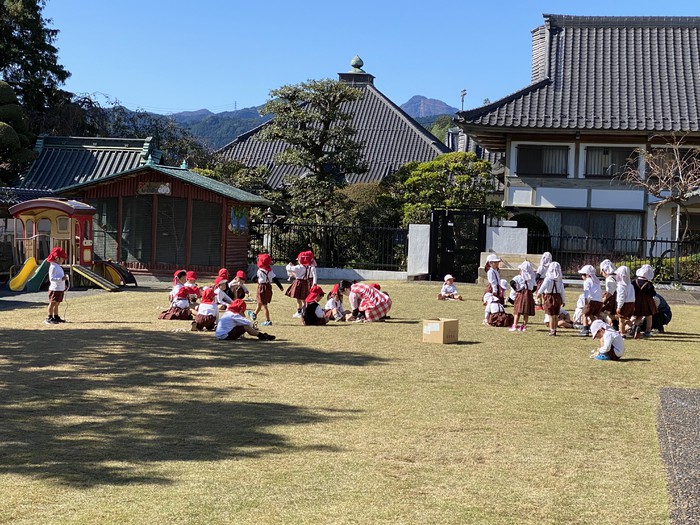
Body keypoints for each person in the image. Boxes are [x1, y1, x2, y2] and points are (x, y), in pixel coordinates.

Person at [253, 253, 284, 326]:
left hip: (262, 287)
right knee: (260, 302)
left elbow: (253, 278)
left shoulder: (260, 271)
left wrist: (257, 281)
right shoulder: (270, 271)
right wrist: (280, 287)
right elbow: (275, 279)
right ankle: (254, 314)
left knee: (264, 304)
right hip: (268, 286)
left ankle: (268, 320)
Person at [535, 261, 565, 336]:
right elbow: (562, 291)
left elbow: (542, 288)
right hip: (557, 297)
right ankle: (554, 329)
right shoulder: (559, 280)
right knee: (555, 315)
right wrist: (563, 300)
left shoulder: (548, 279)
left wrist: (538, 294)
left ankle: (552, 330)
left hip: (549, 297)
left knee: (550, 315)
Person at [285, 250, 317, 318]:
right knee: (305, 298)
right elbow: (315, 276)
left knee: (298, 298)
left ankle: (299, 312)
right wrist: (314, 283)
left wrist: (289, 265)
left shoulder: (298, 267)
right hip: (306, 283)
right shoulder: (311, 267)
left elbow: (289, 268)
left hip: (299, 283)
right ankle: (304, 311)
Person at [632, 264, 657, 339]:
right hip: (647, 303)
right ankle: (647, 331)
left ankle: (634, 328)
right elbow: (653, 293)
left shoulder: (634, 282)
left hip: (636, 302)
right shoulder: (649, 284)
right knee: (649, 316)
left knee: (637, 316)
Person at [577, 264, 603, 337]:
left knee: (584, 314)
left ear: (586, 274)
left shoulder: (587, 281)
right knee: (592, 315)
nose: (581, 276)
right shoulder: (596, 281)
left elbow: (587, 292)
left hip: (592, 300)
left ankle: (585, 330)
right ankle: (598, 328)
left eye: (582, 274)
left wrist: (586, 302)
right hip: (599, 301)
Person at [510, 261, 536, 332]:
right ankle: (524, 326)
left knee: (517, 310)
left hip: (520, 294)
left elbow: (512, 282)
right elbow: (535, 287)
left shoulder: (518, 277)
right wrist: (530, 292)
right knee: (526, 312)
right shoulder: (532, 278)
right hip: (529, 295)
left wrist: (516, 289)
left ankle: (515, 325)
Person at [46, 246, 69, 324]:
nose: (63, 260)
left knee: (57, 303)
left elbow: (59, 277)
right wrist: (61, 279)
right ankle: (49, 317)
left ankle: (56, 316)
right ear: (57, 258)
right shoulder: (53, 267)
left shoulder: (58, 266)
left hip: (60, 288)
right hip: (54, 289)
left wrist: (63, 285)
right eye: (62, 258)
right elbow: (52, 278)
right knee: (52, 303)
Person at [614, 266, 636, 337]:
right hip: (631, 303)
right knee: (625, 318)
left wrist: (619, 307)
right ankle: (634, 326)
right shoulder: (631, 286)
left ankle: (622, 333)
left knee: (621, 320)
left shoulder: (621, 287)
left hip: (624, 304)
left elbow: (621, 297)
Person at [599, 259, 618, 325]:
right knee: (612, 315)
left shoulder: (610, 279)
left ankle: (608, 325)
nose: (601, 273)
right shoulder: (616, 276)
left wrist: (603, 300)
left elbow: (610, 292)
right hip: (616, 299)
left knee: (601, 312)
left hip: (611, 299)